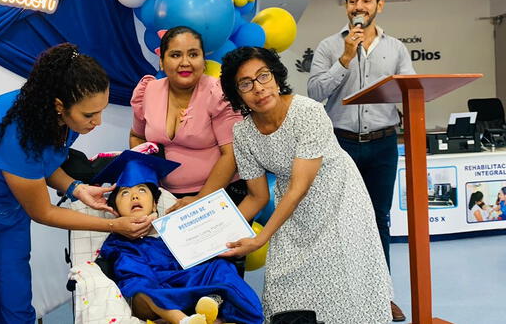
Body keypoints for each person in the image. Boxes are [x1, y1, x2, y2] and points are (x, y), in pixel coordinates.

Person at [0, 43, 154, 324]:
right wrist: (114, 225)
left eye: (101, 110)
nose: (98, 122)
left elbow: (43, 163)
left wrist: (75, 188)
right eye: (89, 115)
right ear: (59, 105)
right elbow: (43, 212)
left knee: (17, 305)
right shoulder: (17, 129)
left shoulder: (62, 119)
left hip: (7, 204)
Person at [219, 46, 392, 324]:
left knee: (344, 281)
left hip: (338, 197)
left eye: (264, 76)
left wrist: (261, 238)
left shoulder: (308, 112)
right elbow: (256, 196)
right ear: (236, 92)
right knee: (283, 282)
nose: (259, 88)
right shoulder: (243, 132)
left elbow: (300, 186)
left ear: (276, 77)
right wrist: (217, 236)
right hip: (291, 207)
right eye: (245, 83)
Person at [308, 0, 414, 321]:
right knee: (337, 222)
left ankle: (383, 295)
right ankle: (336, 294)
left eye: (366, 1)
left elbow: (409, 90)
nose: (359, 7)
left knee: (379, 220)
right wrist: (345, 58)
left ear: (379, 6)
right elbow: (314, 93)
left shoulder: (396, 49)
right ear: (346, 6)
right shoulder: (329, 46)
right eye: (353, 1)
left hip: (383, 144)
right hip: (340, 145)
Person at [94, 150, 264, 324]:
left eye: (142, 190)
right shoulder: (119, 243)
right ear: (115, 210)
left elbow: (197, 260)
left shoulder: (174, 230)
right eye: (125, 193)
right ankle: (182, 319)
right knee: (140, 289)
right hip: (152, 286)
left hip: (185, 280)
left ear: (154, 204)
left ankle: (211, 306)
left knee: (219, 266)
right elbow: (132, 273)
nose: (135, 195)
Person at [129, 26, 244, 212]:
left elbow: (231, 154)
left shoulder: (218, 93)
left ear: (203, 60)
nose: (185, 62)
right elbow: (137, 136)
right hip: (165, 197)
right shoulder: (147, 90)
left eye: (193, 54)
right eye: (175, 55)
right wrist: (147, 182)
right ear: (161, 61)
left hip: (220, 195)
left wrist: (200, 199)